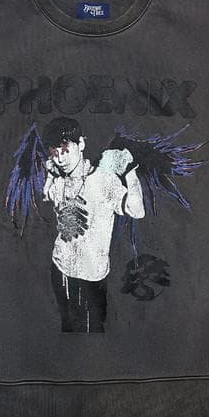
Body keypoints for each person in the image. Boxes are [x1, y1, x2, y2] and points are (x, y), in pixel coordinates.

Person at [41, 118, 145, 332]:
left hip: (91, 277)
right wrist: (50, 174)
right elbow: (46, 193)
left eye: (65, 150)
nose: (60, 159)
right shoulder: (60, 179)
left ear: (81, 144)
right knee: (67, 330)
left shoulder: (103, 179)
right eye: (54, 153)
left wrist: (130, 170)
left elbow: (137, 210)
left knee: (93, 334)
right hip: (60, 268)